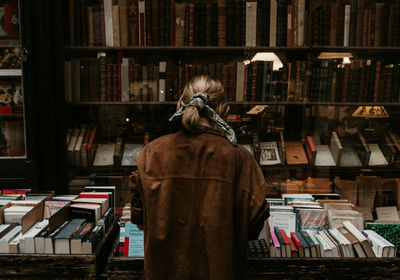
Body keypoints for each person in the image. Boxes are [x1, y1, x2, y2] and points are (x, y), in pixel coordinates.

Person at [130, 75, 269, 280]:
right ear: (222, 110)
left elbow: (140, 221)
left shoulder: (151, 154)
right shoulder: (240, 159)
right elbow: (253, 228)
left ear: (181, 104)